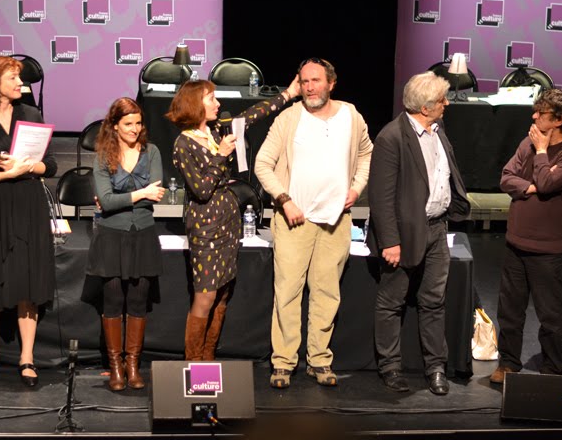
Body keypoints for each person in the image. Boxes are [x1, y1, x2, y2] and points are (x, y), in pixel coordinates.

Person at [255, 58, 373, 389]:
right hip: (295, 220)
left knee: (326, 292)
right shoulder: (289, 118)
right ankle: (283, 362)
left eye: (316, 80)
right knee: (288, 293)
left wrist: (357, 188)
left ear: (331, 83)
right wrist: (284, 200)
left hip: (335, 221)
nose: (309, 87)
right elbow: (262, 163)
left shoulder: (351, 116)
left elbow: (366, 154)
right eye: (304, 81)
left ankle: (319, 359)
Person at [168, 76, 300, 362]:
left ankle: (208, 360)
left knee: (222, 294)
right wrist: (221, 156)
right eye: (211, 99)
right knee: (205, 295)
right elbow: (201, 190)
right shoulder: (183, 144)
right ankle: (193, 364)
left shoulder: (216, 130)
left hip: (228, 221)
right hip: (205, 225)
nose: (218, 104)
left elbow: (251, 116)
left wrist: (288, 94)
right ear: (195, 104)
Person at [366, 72, 469, 395]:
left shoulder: (437, 130)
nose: (446, 104)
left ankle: (436, 367)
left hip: (437, 228)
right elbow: (381, 197)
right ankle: (390, 367)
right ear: (425, 107)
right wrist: (390, 241)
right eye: (441, 100)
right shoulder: (392, 137)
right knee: (392, 302)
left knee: (434, 301)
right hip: (404, 233)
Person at [0, 56, 57, 387]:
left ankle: (27, 357)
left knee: (27, 278)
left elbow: (50, 165)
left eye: (20, 77)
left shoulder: (30, 114)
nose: (20, 83)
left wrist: (27, 166)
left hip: (27, 205)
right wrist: (8, 173)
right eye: (13, 78)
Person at [491, 89, 562, 384]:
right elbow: (506, 177)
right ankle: (508, 362)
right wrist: (529, 186)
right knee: (510, 310)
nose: (533, 117)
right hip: (516, 241)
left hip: (549, 248)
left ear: (558, 120)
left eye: (540, 113)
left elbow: (546, 183)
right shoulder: (528, 142)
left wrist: (542, 153)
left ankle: (552, 367)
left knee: (551, 314)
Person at [90, 97, 165, 391]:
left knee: (137, 300)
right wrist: (140, 193)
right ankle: (115, 366)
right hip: (111, 234)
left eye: (138, 123)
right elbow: (106, 202)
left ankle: (132, 364)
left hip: (143, 232)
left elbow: (156, 193)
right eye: (128, 124)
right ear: (115, 126)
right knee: (112, 300)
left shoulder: (152, 152)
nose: (135, 129)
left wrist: (120, 198)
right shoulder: (103, 156)